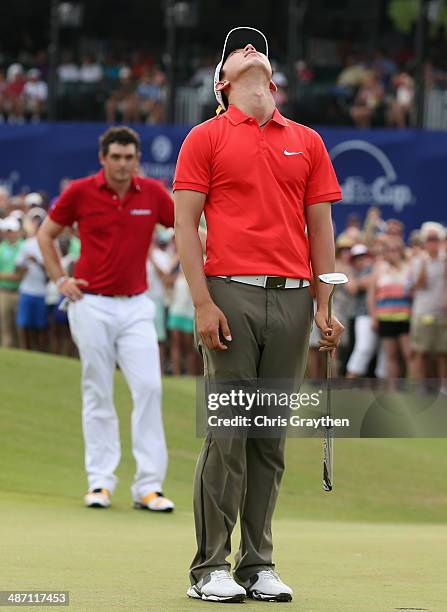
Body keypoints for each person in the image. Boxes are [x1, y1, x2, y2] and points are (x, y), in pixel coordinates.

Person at [174, 27, 344, 604]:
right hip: (229, 292)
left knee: (270, 438)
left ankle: (257, 564)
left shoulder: (307, 140)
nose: (250, 48)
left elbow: (320, 226)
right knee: (228, 432)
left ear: (272, 77)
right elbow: (184, 226)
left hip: (294, 296)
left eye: (256, 46)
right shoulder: (206, 137)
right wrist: (201, 301)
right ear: (223, 81)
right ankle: (209, 568)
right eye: (236, 49)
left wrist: (324, 301)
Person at [37, 126, 175, 512]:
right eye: (115, 157)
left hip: (136, 304)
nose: (122, 164)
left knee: (149, 388)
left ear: (137, 160)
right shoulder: (80, 192)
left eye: (129, 157)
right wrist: (60, 279)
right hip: (91, 303)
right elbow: (46, 235)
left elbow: (184, 228)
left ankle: (148, 486)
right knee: (97, 390)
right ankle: (100, 482)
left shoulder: (152, 193)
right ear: (103, 158)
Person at [0, 216, 24, 347]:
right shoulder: (2, 248)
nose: (9, 233)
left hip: (20, 291)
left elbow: (20, 275)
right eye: (7, 230)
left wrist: (11, 276)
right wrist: (12, 276)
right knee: (5, 328)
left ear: (18, 231)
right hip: (4, 292)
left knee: (19, 329)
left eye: (11, 230)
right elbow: (15, 275)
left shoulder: (24, 246)